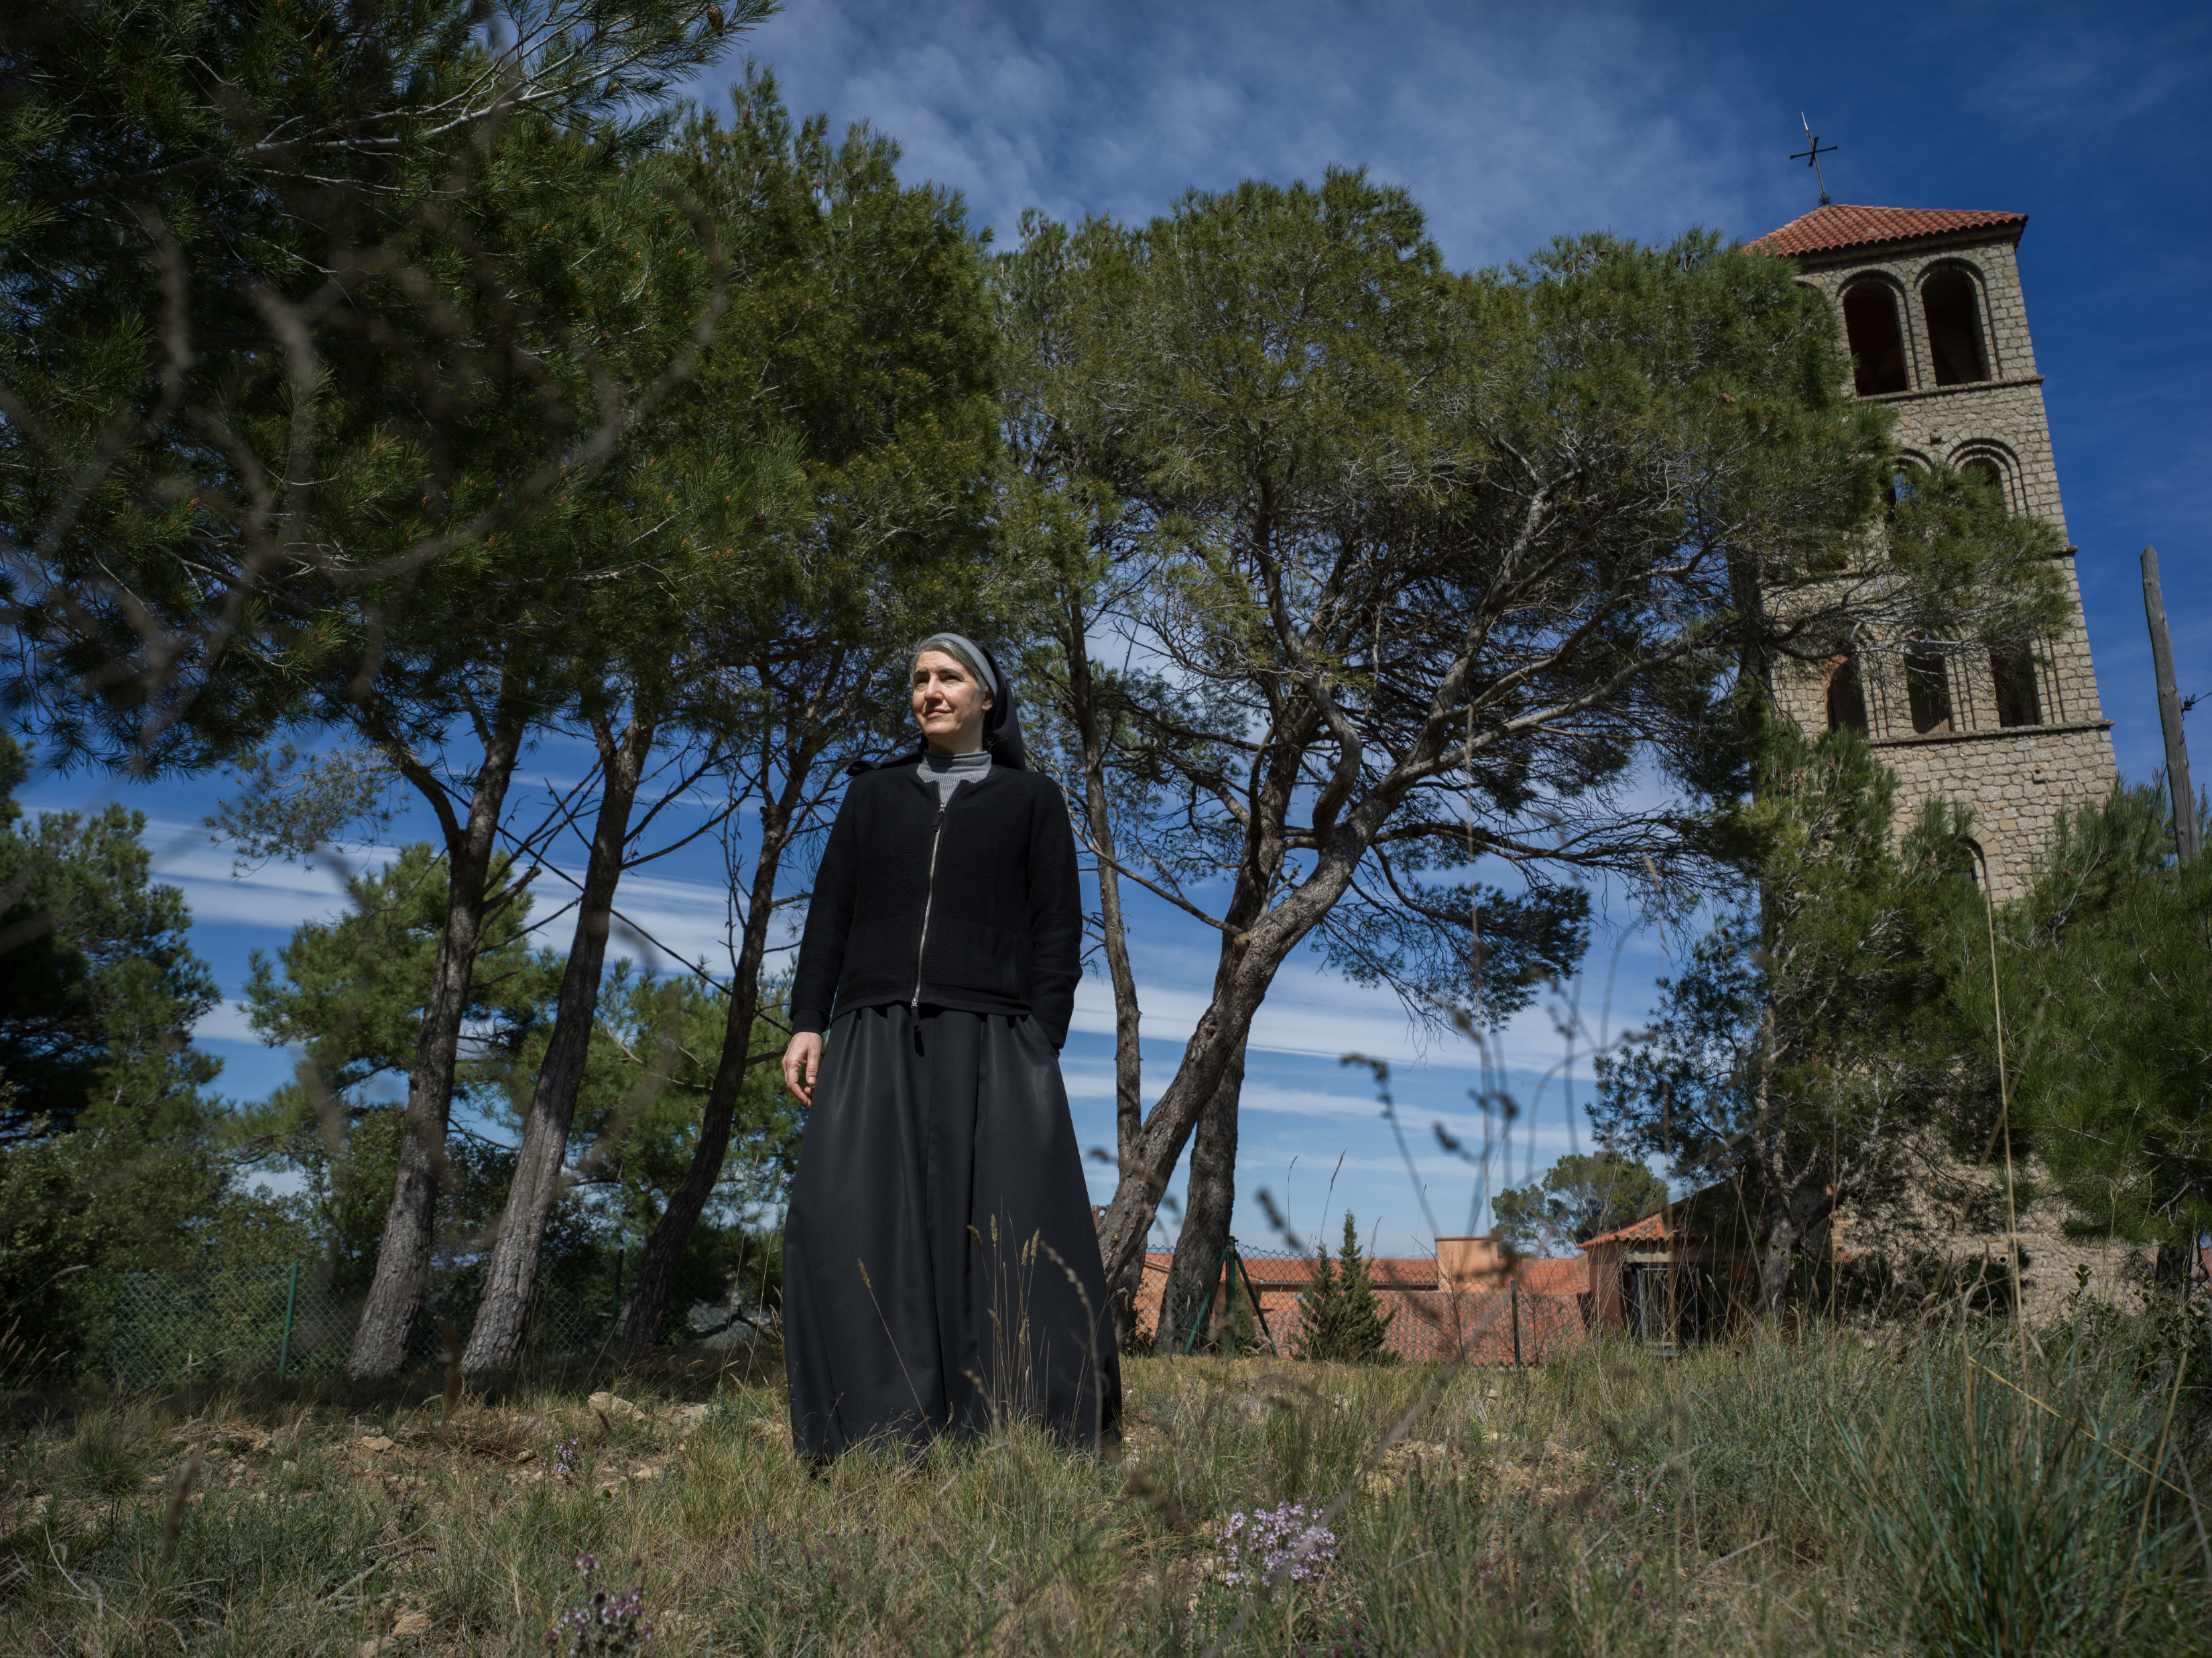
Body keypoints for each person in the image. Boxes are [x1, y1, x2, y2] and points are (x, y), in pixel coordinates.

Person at [778, 632, 1121, 1458]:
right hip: (873, 1028)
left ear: (986, 698)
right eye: (920, 678)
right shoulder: (871, 796)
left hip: (993, 1032)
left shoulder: (1031, 799)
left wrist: (1040, 1034)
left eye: (949, 677)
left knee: (1008, 1225)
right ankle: (876, 1430)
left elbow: (1058, 929)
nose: (930, 690)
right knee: (854, 1218)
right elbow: (830, 916)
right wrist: (808, 1019)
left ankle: (1020, 1426)